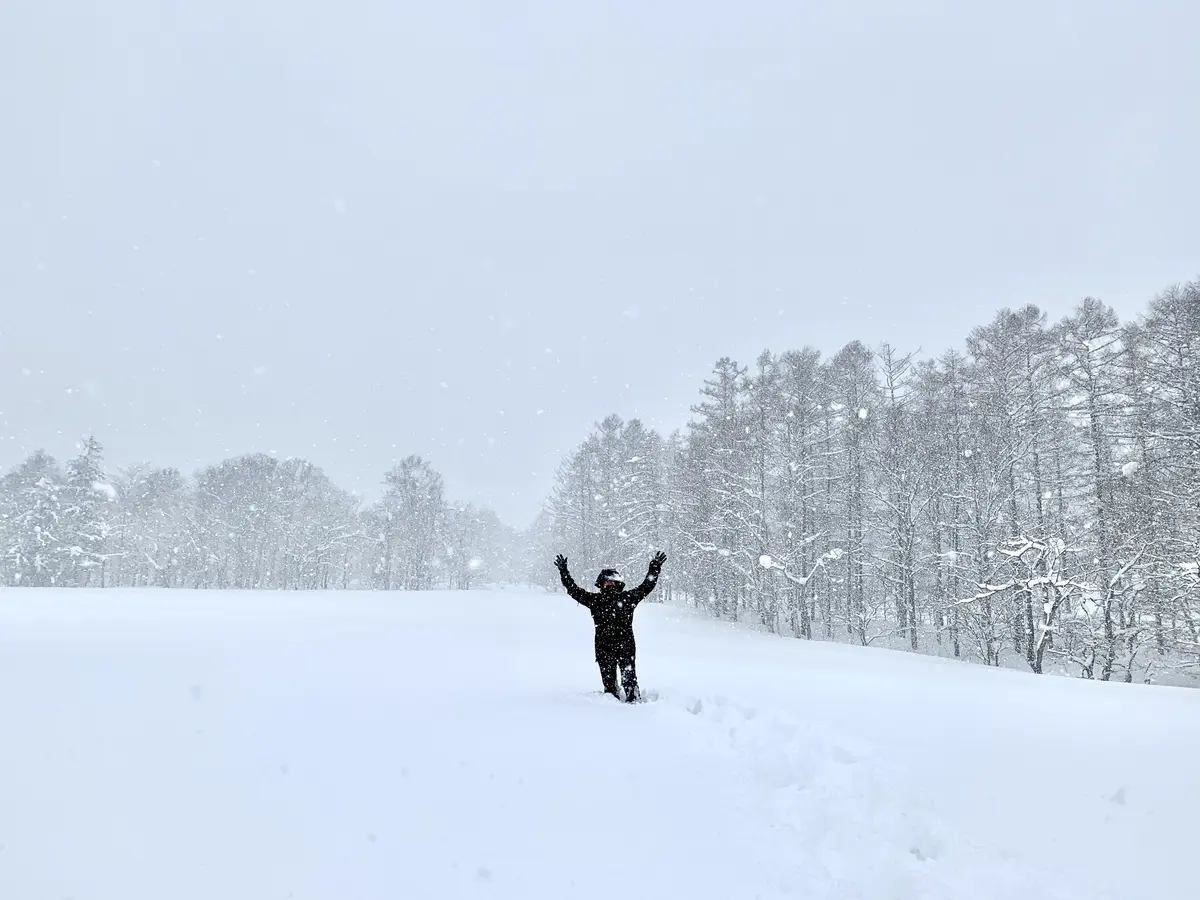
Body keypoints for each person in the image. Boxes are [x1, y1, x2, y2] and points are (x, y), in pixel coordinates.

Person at [554, 551, 667, 702]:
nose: (608, 584)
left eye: (610, 582)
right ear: (601, 584)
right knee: (610, 688)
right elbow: (573, 590)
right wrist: (564, 572)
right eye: (606, 582)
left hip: (623, 647)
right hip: (606, 648)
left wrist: (654, 568)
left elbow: (646, 586)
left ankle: (635, 708)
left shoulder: (625, 598)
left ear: (617, 584)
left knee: (629, 683)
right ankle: (612, 712)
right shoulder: (597, 600)